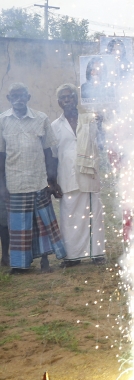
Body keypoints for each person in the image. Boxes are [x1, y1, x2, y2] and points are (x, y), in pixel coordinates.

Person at [0, 83, 66, 273]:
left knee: (41, 224)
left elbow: (49, 153)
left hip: (38, 180)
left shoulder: (41, 118)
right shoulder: (2, 120)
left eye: (22, 96)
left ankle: (45, 261)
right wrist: (2, 186)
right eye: (14, 97)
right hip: (14, 182)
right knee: (19, 227)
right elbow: (1, 156)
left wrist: (52, 181)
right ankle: (20, 265)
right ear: (8, 99)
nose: (18, 100)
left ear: (28, 97)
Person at [51, 83, 106, 267]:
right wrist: (52, 182)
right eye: (64, 98)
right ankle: (72, 257)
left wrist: (102, 123)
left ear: (76, 99)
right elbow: (52, 155)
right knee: (69, 217)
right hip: (66, 177)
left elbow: (101, 142)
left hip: (88, 174)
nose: (67, 100)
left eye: (71, 97)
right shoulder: (55, 126)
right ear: (59, 102)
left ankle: (96, 254)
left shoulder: (89, 119)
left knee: (93, 214)